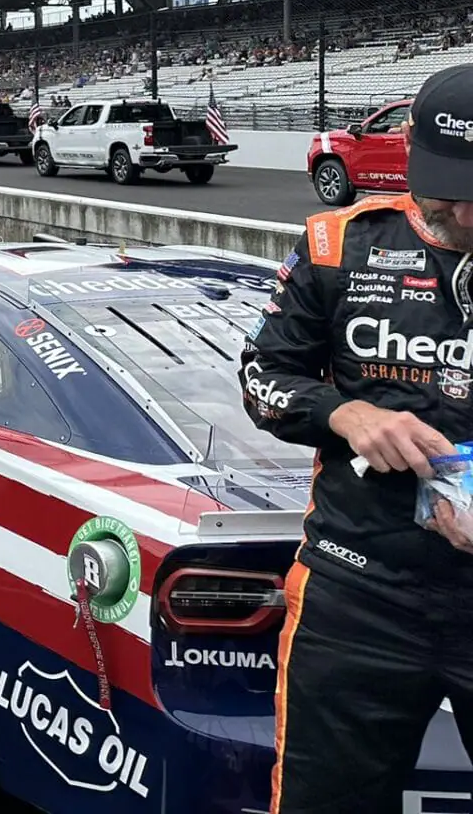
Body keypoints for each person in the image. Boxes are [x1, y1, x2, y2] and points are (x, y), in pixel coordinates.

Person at [241, 65, 473, 811]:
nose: (466, 212)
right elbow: (260, 376)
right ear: (408, 147)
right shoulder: (338, 245)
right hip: (357, 591)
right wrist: (343, 414)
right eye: (450, 186)